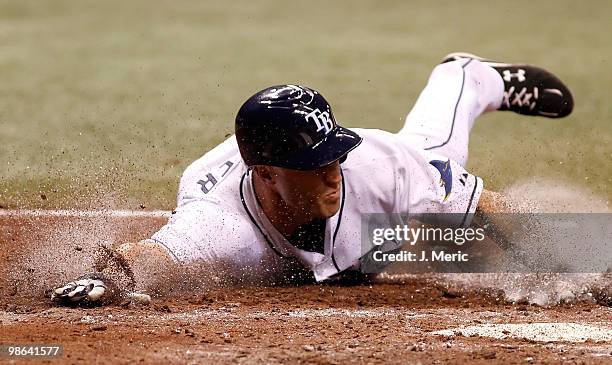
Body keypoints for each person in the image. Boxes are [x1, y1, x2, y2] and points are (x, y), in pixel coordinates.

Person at [51, 52, 573, 305]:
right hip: (294, 226)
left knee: (431, 150)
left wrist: (577, 268)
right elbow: (150, 256)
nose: (332, 174)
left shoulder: (379, 165)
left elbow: (489, 207)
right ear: (269, 174)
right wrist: (107, 282)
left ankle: (466, 74)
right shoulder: (220, 220)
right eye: (313, 165)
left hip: (384, 215)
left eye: (334, 156)